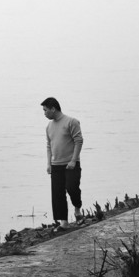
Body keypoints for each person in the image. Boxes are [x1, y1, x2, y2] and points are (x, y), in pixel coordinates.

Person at [42, 96, 84, 229]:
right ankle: (64, 222)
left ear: (53, 109)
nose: (44, 113)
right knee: (58, 193)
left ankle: (77, 209)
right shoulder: (49, 126)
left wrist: (73, 160)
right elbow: (49, 146)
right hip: (56, 165)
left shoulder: (71, 122)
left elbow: (79, 141)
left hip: (71, 164)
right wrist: (49, 164)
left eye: (45, 110)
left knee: (72, 188)